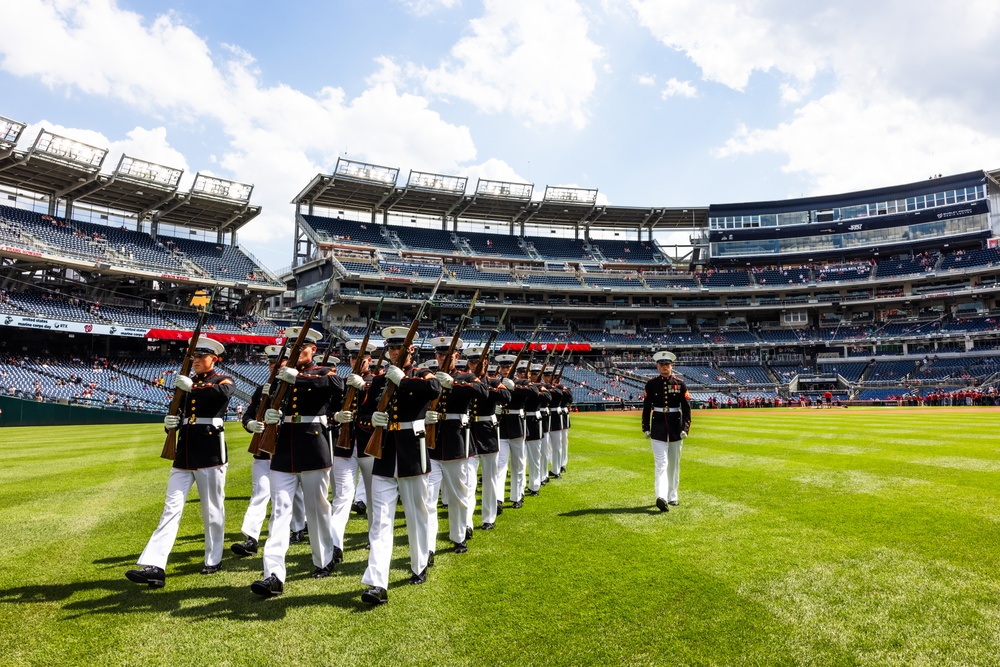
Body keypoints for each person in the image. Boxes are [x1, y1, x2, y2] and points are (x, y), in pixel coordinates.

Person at [126, 337, 234, 588]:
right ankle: (155, 565)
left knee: (212, 509)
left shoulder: (221, 380)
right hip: (184, 452)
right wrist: (169, 424)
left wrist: (191, 389)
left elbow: (223, 394)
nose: (196, 361)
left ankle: (213, 558)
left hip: (210, 451)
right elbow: (175, 411)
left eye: (201, 357)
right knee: (170, 509)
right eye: (193, 357)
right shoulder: (184, 385)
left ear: (214, 359)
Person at [250, 327, 345, 597]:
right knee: (280, 511)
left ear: (313, 349)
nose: (295, 351)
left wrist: (299, 379)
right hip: (283, 448)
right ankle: (273, 574)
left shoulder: (322, 372)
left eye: (301, 346)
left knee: (317, 509)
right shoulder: (281, 378)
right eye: (292, 346)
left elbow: (336, 386)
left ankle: (324, 559)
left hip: (313, 443)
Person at [357, 326, 441, 605]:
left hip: (411, 453)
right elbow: (364, 410)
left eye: (399, 348)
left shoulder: (420, 375)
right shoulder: (380, 379)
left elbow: (434, 388)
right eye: (391, 348)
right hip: (383, 452)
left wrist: (403, 381)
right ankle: (377, 582)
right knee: (380, 522)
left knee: (417, 516)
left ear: (411, 351)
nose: (394, 352)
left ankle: (419, 564)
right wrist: (371, 420)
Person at [231, 345, 306, 559]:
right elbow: (248, 415)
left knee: (295, 494)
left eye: (278, 363)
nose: (274, 366)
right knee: (260, 492)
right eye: (272, 363)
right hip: (264, 449)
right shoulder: (262, 388)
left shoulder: (298, 385)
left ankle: (299, 526)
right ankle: (251, 537)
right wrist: (251, 424)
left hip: (287, 446)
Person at [425, 337, 487, 552]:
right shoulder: (428, 377)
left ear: (456, 357)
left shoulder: (466, 376)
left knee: (459, 495)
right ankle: (428, 546)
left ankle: (459, 536)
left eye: (446, 355)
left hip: (456, 442)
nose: (442, 358)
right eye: (439, 355)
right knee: (428, 498)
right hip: (432, 443)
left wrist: (452, 384)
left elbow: (482, 392)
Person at [329, 339, 377, 561]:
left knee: (373, 496)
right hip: (345, 445)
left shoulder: (377, 381)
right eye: (353, 357)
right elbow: (330, 409)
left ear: (369, 359)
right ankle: (334, 543)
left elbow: (379, 405)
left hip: (368, 443)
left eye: (361, 357)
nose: (357, 361)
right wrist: (336, 416)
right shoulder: (341, 382)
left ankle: (375, 537)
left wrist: (364, 387)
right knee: (342, 496)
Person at [466, 346, 512, 530]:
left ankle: (489, 517)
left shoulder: (492, 382)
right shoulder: (463, 381)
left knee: (489, 477)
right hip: (469, 431)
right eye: (472, 361)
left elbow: (506, 395)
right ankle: (467, 522)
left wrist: (483, 388)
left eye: (478, 361)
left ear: (485, 363)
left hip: (488, 431)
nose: (475, 364)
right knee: (468, 481)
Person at [641, 351, 692, 511]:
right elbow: (646, 408)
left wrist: (686, 428)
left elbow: (686, 408)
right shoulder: (651, 384)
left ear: (671, 366)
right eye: (662, 365)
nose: (664, 367)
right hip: (658, 428)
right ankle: (661, 496)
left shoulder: (680, 383)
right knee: (661, 464)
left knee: (674, 465)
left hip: (676, 427)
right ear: (657, 366)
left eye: (667, 365)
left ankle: (673, 496)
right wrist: (646, 427)